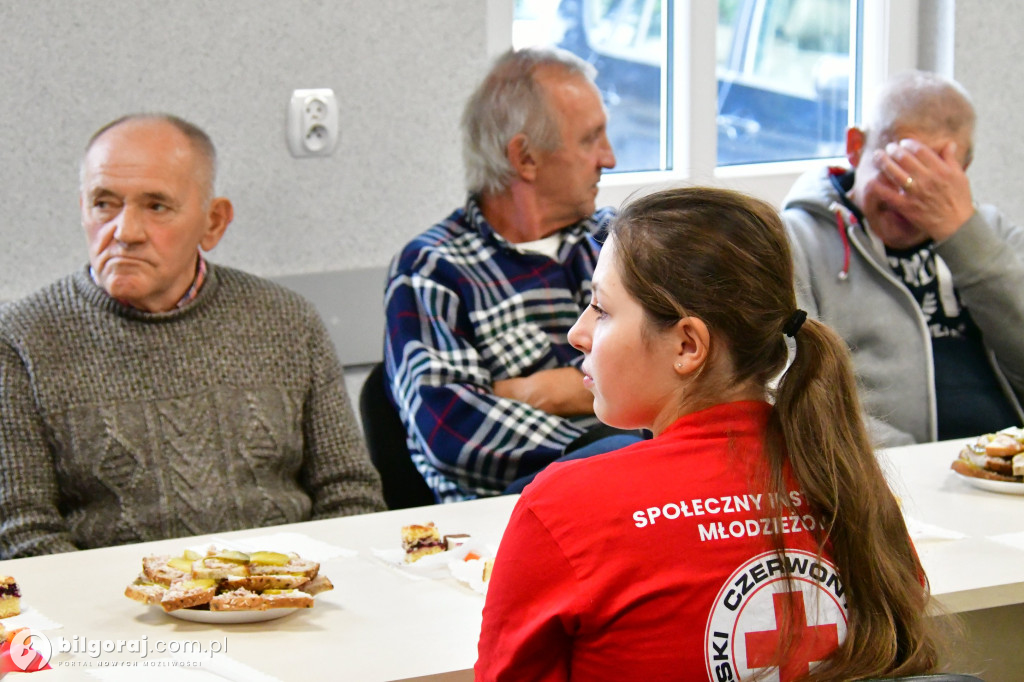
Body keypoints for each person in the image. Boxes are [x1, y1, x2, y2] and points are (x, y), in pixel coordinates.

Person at [476, 187, 940, 680]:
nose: (578, 332)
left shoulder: (563, 510)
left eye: (602, 309)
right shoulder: (851, 483)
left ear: (687, 344)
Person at [0, 114, 385, 559]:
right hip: (116, 616)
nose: (125, 232)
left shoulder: (288, 322)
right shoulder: (21, 340)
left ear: (213, 222)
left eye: (156, 206)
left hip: (289, 601)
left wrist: (290, 589)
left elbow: (351, 495)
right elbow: (22, 530)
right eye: (104, 204)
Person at [384, 47, 638, 503]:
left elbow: (690, 379)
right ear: (525, 158)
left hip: (645, 497)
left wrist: (546, 390)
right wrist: (614, 448)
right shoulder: (433, 269)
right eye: (590, 139)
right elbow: (450, 429)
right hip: (509, 523)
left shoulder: (616, 243)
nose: (610, 158)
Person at [782, 70, 1024, 446]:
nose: (910, 197)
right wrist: (914, 472)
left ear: (963, 169)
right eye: (895, 169)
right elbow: (795, 389)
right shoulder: (795, 241)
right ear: (856, 148)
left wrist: (963, 238)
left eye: (935, 174)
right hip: (891, 473)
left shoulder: (991, 233)